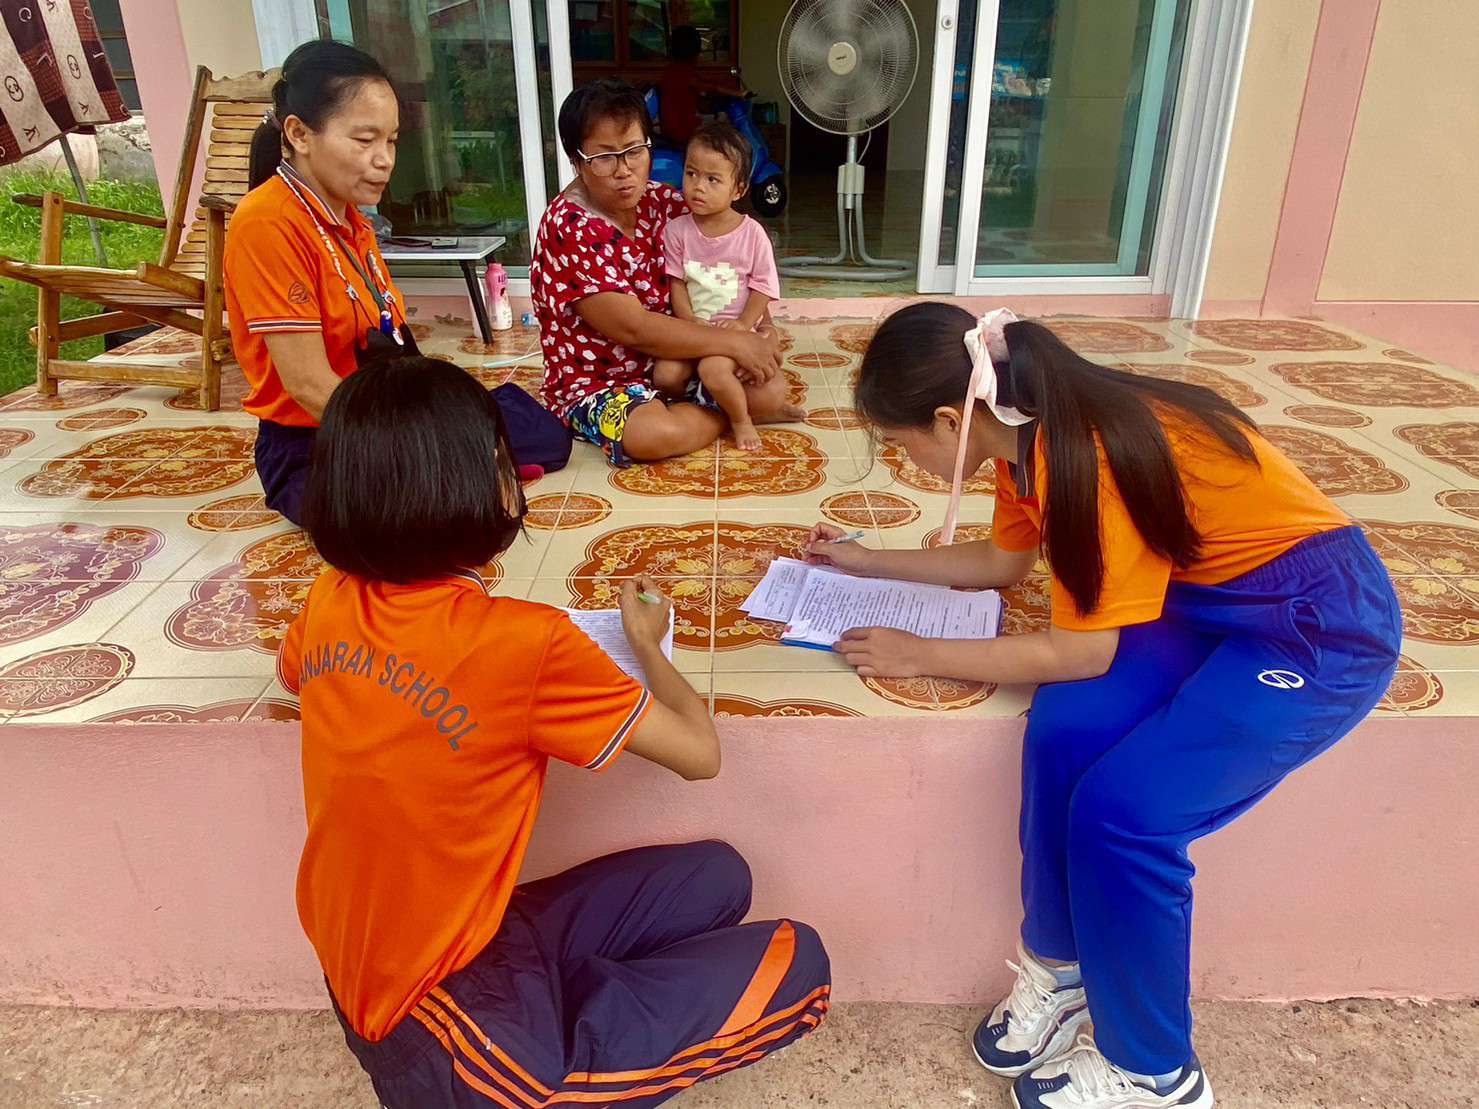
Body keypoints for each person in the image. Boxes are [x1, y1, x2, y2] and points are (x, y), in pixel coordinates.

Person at [806, 303, 1401, 1109]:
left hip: (1315, 627)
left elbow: (1079, 651)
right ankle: (1060, 972)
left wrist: (921, 654)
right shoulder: (1022, 438)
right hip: (1202, 605)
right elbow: (1003, 563)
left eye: (897, 441)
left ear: (949, 420)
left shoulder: (1085, 459)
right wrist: (869, 562)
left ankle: (1155, 1072)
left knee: (1127, 813)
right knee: (1065, 727)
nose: (901, 458)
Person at [279, 355, 830, 1109]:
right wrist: (647, 646)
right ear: (489, 485)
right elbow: (700, 754)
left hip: (433, 943)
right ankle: (553, 1060)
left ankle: (577, 1005)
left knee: (717, 875)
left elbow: (300, 674)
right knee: (801, 963)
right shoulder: (525, 642)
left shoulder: (329, 597)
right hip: (439, 1039)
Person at [531, 79, 793, 465]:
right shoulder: (568, 227)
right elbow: (635, 329)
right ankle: (726, 417)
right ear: (576, 160)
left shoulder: (662, 200)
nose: (624, 170)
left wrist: (760, 329)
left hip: (679, 362)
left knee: (771, 390)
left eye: (634, 151)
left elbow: (736, 263)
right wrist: (734, 344)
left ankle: (706, 410)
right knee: (654, 435)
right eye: (605, 157)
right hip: (600, 381)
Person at [229, 40, 409, 525]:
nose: (385, 159)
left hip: (378, 411)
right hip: (317, 442)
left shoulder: (352, 221)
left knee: (525, 430)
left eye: (391, 140)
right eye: (365, 140)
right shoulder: (267, 222)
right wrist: (409, 443)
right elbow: (308, 385)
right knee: (422, 508)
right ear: (299, 134)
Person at [655, 120, 798, 450]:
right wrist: (689, 321)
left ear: (739, 189)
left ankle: (742, 420)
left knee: (715, 370)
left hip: (734, 334)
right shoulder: (677, 231)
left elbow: (763, 287)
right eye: (691, 173)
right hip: (693, 331)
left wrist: (744, 325)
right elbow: (676, 283)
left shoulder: (752, 234)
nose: (698, 187)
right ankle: (713, 408)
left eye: (712, 179)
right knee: (665, 376)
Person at [657, 25, 743, 146]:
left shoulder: (673, 69)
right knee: (725, 123)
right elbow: (707, 86)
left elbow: (705, 83)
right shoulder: (683, 70)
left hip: (675, 126)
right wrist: (738, 93)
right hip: (683, 129)